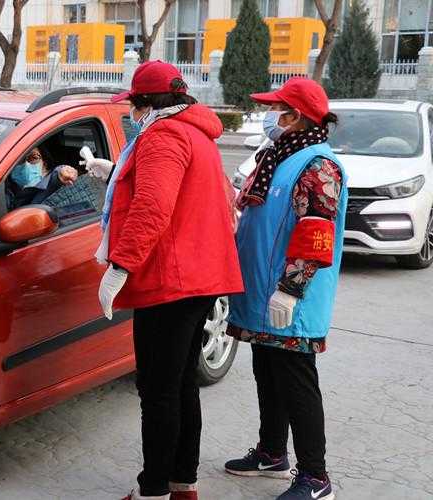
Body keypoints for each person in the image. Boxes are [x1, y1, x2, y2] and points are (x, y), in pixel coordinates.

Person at [86, 60, 243, 500]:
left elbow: (153, 207)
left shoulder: (163, 135)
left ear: (147, 104)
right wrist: (116, 174)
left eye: (134, 105)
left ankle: (153, 489)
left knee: (157, 391)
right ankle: (182, 484)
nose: (132, 114)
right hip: (200, 277)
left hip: (171, 283)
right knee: (181, 386)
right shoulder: (198, 133)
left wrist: (120, 265)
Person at [224, 77, 347, 500]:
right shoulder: (277, 156)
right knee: (267, 374)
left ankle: (315, 477)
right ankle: (272, 452)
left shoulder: (318, 165)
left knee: (296, 383)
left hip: (290, 297)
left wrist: (291, 290)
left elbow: (316, 232)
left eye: (275, 109)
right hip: (261, 293)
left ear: (295, 117)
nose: (268, 116)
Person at [6, 146, 78, 209]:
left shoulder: (49, 188)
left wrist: (60, 174)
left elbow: (54, 179)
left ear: (44, 165)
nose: (26, 165)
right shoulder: (4, 188)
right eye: (18, 161)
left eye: (33, 158)